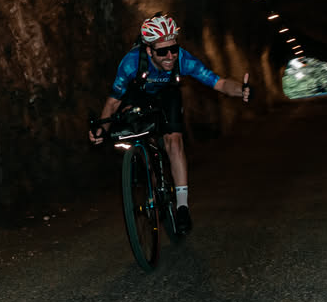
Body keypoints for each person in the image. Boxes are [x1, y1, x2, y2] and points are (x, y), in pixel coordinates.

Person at [89, 14, 245, 235]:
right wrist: (101, 130)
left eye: (173, 48)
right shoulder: (131, 62)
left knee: (174, 141)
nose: (170, 56)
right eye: (163, 51)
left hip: (168, 96)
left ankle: (182, 207)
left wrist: (242, 90)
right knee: (141, 135)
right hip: (138, 96)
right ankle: (151, 179)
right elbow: (113, 102)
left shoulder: (182, 59)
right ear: (150, 50)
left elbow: (218, 83)